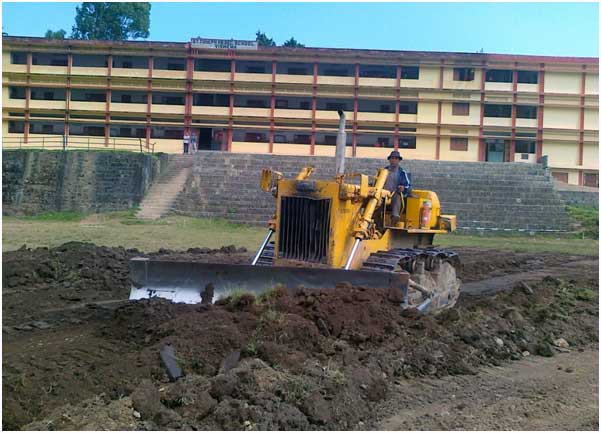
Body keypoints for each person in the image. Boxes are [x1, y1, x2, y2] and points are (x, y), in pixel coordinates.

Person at [384, 150, 412, 225]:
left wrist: (403, 188)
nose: (394, 160)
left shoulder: (402, 173)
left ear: (399, 161)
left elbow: (408, 186)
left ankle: (395, 217)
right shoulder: (383, 171)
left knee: (397, 197)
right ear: (389, 160)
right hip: (383, 195)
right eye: (392, 158)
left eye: (396, 159)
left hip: (394, 194)